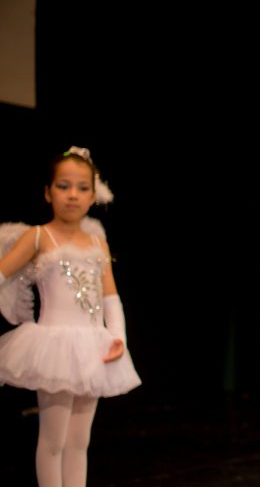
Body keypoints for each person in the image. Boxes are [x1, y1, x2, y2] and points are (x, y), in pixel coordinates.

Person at [0, 147, 141, 487]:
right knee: (53, 440)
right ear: (48, 192)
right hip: (55, 347)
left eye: (82, 188)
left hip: (92, 346)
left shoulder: (97, 242)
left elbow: (110, 296)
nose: (73, 195)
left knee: (80, 440)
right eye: (63, 186)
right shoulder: (39, 236)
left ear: (93, 195)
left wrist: (117, 337)